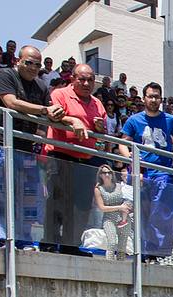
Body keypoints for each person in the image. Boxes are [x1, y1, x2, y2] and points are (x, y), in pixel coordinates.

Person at [0, 45, 60, 244]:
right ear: (18, 61)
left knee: (27, 197)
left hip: (25, 148)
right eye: (28, 62)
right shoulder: (5, 75)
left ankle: (22, 239)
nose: (33, 67)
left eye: (37, 64)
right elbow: (11, 102)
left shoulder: (41, 86)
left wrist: (72, 121)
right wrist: (43, 110)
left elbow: (51, 113)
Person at [40, 63, 105, 255]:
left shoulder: (97, 103)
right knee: (57, 201)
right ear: (72, 79)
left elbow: (102, 133)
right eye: (82, 79)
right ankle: (49, 243)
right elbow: (53, 117)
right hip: (61, 154)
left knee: (82, 206)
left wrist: (100, 129)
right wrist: (73, 120)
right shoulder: (59, 94)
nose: (86, 83)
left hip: (86, 159)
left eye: (90, 80)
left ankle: (71, 246)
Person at [119, 81, 173, 261]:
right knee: (143, 213)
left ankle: (156, 251)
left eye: (157, 97)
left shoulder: (169, 119)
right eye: (150, 96)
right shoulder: (134, 120)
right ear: (144, 98)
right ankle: (144, 252)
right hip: (141, 172)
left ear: (161, 99)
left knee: (160, 211)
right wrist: (131, 159)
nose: (154, 100)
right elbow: (123, 142)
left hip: (162, 171)